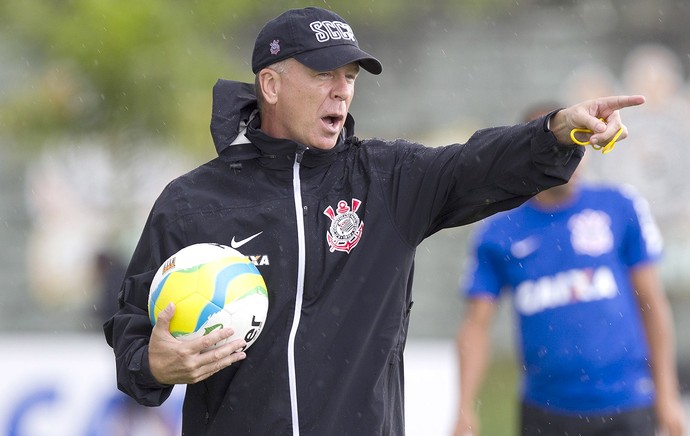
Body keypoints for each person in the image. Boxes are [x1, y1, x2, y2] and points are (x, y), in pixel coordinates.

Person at [103, 7, 645, 435]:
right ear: (270, 85)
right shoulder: (191, 201)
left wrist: (555, 132)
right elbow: (131, 330)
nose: (341, 88)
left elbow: (479, 163)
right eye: (322, 74)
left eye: (349, 75)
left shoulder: (388, 179)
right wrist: (152, 366)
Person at [453, 105, 686, 436]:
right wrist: (464, 408)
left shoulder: (619, 206)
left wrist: (667, 393)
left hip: (628, 404)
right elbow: (475, 326)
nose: (572, 156)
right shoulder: (499, 231)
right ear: (528, 153)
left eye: (579, 141)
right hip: (546, 412)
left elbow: (652, 303)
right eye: (559, 145)